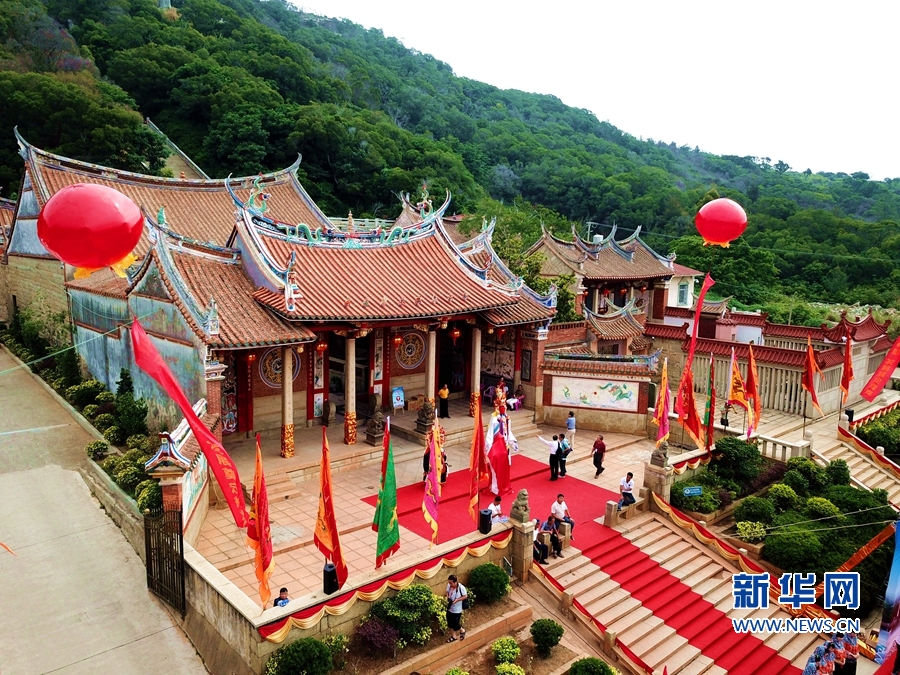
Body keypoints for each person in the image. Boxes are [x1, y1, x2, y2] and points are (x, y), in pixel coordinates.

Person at [445, 574, 468, 642]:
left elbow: (465, 596)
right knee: (450, 622)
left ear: (455, 582)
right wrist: (448, 597)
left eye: (451, 583)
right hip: (450, 607)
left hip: (457, 609)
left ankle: (462, 630)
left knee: (455, 623)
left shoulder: (461, 588)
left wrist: (457, 600)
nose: (450, 584)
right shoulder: (449, 585)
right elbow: (447, 592)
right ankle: (454, 636)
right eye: (449, 583)